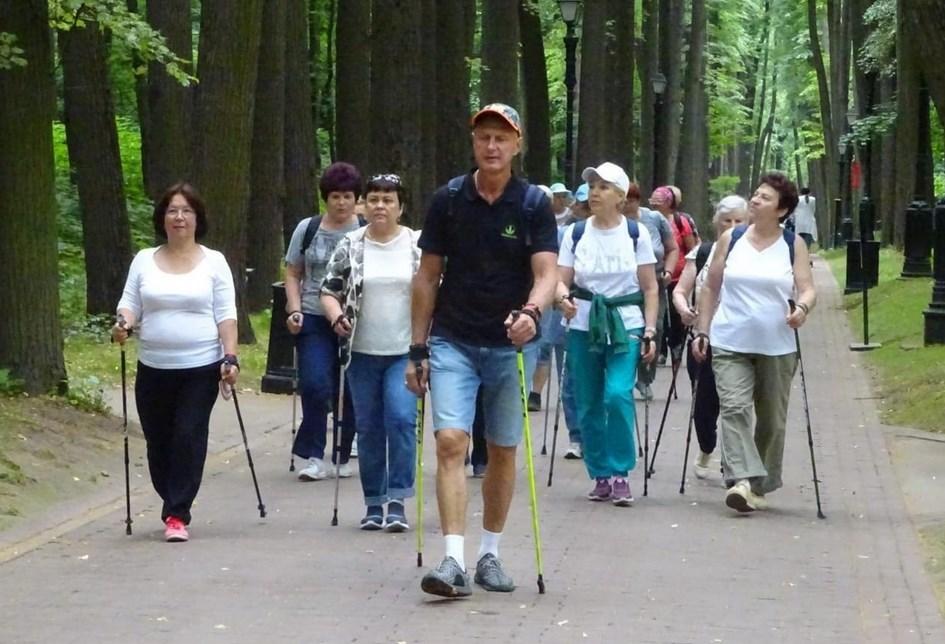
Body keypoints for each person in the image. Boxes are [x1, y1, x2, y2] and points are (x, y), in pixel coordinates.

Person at [407, 103, 557, 597]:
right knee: (451, 442)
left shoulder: (533, 203)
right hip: (453, 338)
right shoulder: (448, 199)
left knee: (502, 450)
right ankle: (453, 560)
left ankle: (489, 554)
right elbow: (428, 276)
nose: (492, 147)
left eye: (502, 138)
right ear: (473, 143)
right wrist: (417, 348)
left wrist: (532, 314)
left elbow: (546, 274)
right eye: (483, 137)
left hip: (510, 346)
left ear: (517, 145)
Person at [112, 183, 238, 543]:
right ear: (162, 219)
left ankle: (177, 512)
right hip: (153, 367)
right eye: (172, 211)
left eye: (186, 211)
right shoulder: (143, 259)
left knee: (188, 435)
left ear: (198, 218)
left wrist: (230, 356)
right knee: (159, 440)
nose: (179, 217)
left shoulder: (214, 262)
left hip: (200, 366)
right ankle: (171, 496)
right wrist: (124, 323)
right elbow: (130, 302)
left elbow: (226, 315)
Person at [692, 172, 816, 513]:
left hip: (777, 345)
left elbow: (806, 288)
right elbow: (711, 287)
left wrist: (802, 309)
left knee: (772, 420)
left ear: (782, 210)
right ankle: (742, 481)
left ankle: (759, 485)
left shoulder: (793, 244)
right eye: (756, 194)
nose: (756, 200)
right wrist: (703, 330)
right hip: (730, 339)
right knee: (734, 408)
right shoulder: (731, 239)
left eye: (765, 197)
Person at [320, 173, 421, 531]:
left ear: (401, 206)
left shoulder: (416, 245)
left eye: (388, 200)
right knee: (369, 427)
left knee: (401, 419)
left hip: (404, 350)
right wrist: (335, 318)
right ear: (365, 204)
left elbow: (434, 291)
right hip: (362, 350)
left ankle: (398, 498)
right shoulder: (351, 245)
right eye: (374, 199)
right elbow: (328, 290)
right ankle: (374, 502)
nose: (380, 206)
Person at [556, 162, 659, 506]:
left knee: (617, 394)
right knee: (586, 402)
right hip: (583, 324)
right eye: (592, 186)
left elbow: (649, 287)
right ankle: (599, 473)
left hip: (624, 322)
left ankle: (620, 471)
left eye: (603, 187)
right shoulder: (575, 233)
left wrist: (651, 329)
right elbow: (561, 279)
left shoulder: (635, 234)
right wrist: (562, 299)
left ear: (620, 195)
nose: (594, 192)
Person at [285, 162, 362, 481]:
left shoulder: (366, 229)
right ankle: (314, 455)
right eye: (334, 196)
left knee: (351, 388)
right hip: (315, 316)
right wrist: (293, 309)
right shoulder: (309, 228)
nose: (341, 203)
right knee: (316, 384)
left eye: (347, 196)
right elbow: (292, 271)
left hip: (356, 319)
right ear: (325, 198)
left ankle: (344, 452)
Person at [671, 195, 748, 479]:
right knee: (704, 408)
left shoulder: (754, 255)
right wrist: (683, 310)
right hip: (702, 341)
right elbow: (680, 290)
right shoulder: (702, 253)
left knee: (734, 404)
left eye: (739, 221)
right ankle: (707, 446)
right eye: (726, 221)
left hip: (739, 342)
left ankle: (734, 461)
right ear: (717, 223)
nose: (732, 226)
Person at [624, 182, 678, 400]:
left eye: (631, 199)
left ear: (638, 200)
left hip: (654, 281)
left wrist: (668, 270)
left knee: (654, 328)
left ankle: (645, 379)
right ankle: (624, 376)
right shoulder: (614, 223)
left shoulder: (654, 219)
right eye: (624, 199)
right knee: (628, 330)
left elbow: (672, 248)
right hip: (625, 285)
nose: (627, 204)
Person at [650, 185, 697, 367]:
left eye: (658, 201)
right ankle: (660, 351)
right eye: (652, 200)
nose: (654, 204)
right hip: (656, 275)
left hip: (678, 277)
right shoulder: (649, 219)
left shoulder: (680, 221)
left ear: (669, 203)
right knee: (660, 314)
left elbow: (691, 247)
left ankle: (676, 345)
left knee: (676, 314)